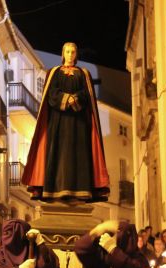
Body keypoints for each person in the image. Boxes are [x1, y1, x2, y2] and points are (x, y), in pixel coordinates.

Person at [22, 42, 109, 204]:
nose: (70, 54)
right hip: (58, 124)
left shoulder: (84, 73)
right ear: (63, 54)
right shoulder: (54, 73)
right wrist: (65, 99)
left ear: (76, 55)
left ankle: (81, 191)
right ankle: (55, 190)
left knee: (79, 154)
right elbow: (51, 93)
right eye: (67, 51)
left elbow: (87, 95)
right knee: (58, 154)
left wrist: (75, 99)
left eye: (73, 52)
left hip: (79, 123)